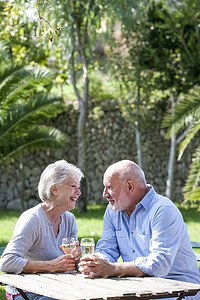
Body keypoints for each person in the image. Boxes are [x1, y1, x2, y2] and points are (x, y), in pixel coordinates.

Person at [79, 160, 200, 299]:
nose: (104, 194)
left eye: (109, 187)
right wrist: (96, 263)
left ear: (130, 187)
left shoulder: (163, 210)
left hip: (179, 290)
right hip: (139, 287)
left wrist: (113, 269)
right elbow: (107, 248)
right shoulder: (113, 210)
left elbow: (159, 265)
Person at [0, 160, 83, 300]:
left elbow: (71, 264)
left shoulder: (69, 220)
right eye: (73, 186)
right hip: (27, 292)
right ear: (54, 189)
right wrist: (51, 266)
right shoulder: (32, 219)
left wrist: (77, 257)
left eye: (79, 187)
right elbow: (7, 262)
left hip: (58, 288)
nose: (79, 192)